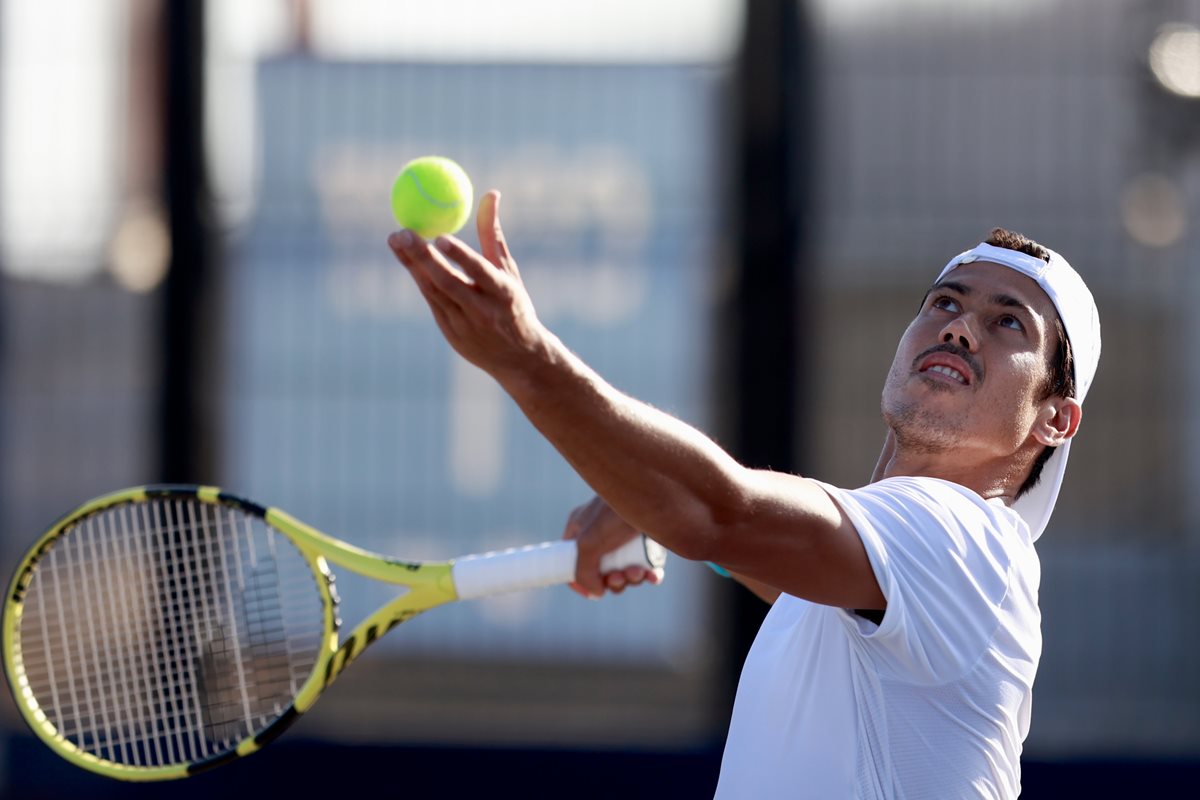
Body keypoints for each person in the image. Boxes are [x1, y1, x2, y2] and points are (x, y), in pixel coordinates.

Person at [387, 191, 1101, 799]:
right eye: (945, 302)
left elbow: (721, 514)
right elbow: (755, 554)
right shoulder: (880, 588)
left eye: (1007, 322)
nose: (958, 327)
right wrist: (656, 515)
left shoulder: (965, 539)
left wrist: (526, 358)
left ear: (1055, 420)